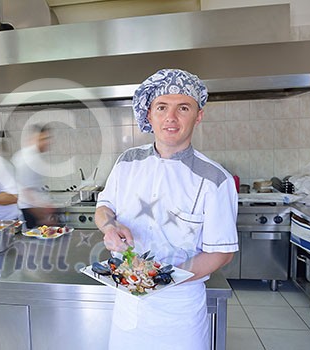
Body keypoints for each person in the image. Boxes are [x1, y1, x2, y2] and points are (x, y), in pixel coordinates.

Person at [95, 69, 238, 350]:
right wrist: (109, 227)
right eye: (162, 107)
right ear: (150, 115)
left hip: (179, 312)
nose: (171, 118)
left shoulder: (214, 180)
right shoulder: (127, 162)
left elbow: (223, 251)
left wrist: (164, 279)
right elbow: (104, 207)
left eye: (182, 108)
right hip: (127, 305)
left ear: (198, 116)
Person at [11, 124, 55, 228]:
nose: (46, 142)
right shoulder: (29, 159)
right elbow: (26, 192)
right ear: (34, 138)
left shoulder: (30, 156)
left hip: (31, 209)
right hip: (28, 211)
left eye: (47, 138)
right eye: (43, 139)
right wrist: (42, 216)